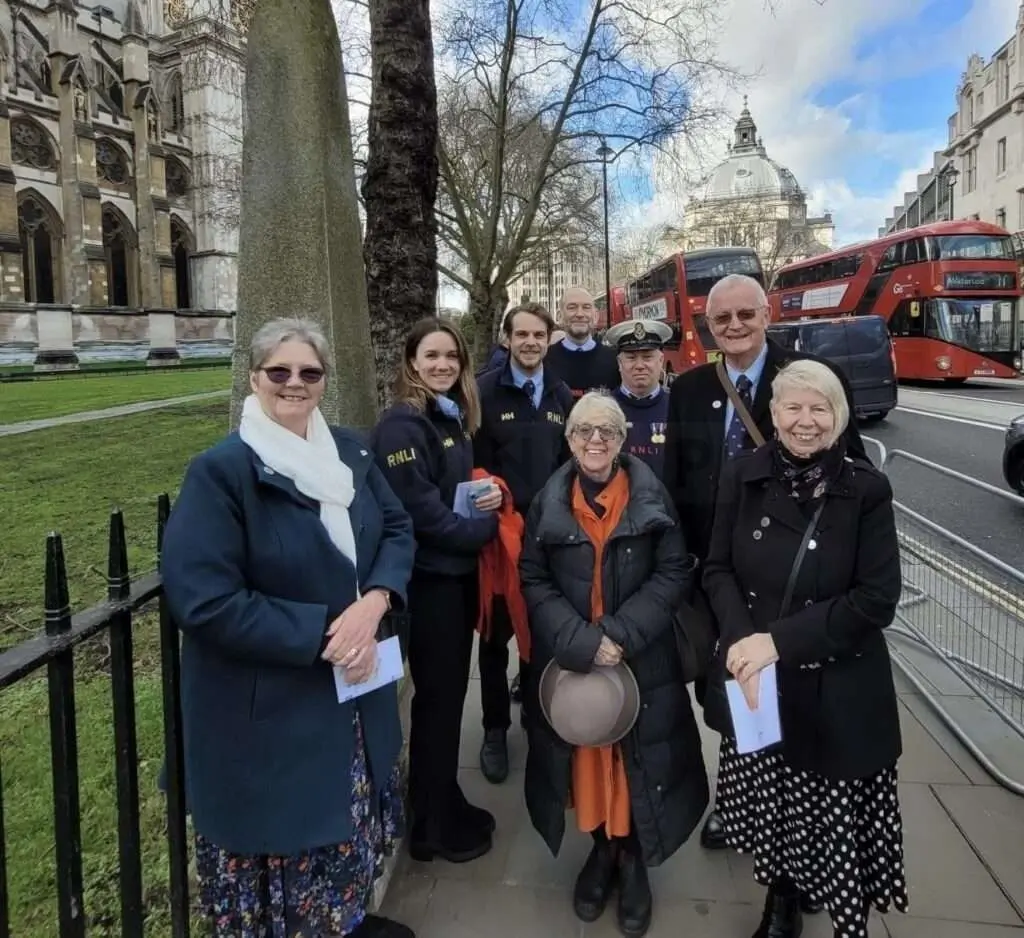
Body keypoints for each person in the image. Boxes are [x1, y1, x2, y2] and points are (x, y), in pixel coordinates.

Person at [161, 318, 417, 938]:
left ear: (325, 382)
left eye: (309, 372)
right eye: (279, 371)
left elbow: (398, 529)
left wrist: (376, 601)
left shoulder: (351, 452)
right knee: (290, 865)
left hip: (351, 703)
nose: (294, 383)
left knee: (346, 841)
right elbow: (204, 599)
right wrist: (328, 633)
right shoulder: (222, 473)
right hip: (274, 720)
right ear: (255, 378)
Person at [662, 273, 866, 855]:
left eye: (744, 315)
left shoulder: (809, 380)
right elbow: (677, 481)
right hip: (720, 574)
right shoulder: (691, 388)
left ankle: (802, 825)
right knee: (730, 699)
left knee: (798, 700)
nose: (733, 327)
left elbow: (849, 476)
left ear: (767, 313)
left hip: (795, 577)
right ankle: (737, 805)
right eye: (720, 319)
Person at [703, 359, 906, 938]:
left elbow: (875, 600)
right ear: (774, 412)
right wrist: (745, 640)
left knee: (827, 814)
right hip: (761, 684)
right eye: (793, 407)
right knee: (776, 807)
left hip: (837, 686)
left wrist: (777, 641)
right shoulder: (742, 474)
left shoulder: (866, 489)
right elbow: (716, 569)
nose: (806, 421)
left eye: (821, 408)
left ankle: (831, 895)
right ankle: (783, 898)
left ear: (840, 418)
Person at [520, 392, 709, 938]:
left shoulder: (652, 494)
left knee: (637, 764)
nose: (595, 441)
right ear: (569, 439)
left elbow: (674, 572)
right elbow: (532, 576)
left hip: (640, 658)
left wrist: (620, 636)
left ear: (624, 440)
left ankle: (633, 861)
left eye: (607, 431)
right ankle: (601, 850)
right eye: (584, 432)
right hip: (577, 659)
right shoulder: (548, 499)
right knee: (585, 758)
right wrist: (580, 640)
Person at [370, 317, 502, 864]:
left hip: (455, 579)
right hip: (431, 585)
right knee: (438, 703)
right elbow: (419, 511)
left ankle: (440, 798)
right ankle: (429, 826)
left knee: (446, 703)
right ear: (411, 363)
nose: (443, 364)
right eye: (432, 356)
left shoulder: (449, 418)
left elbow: (451, 492)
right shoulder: (403, 425)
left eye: (452, 356)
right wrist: (481, 531)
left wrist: (485, 497)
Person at [474, 302, 574, 784]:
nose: (531, 342)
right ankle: (495, 729)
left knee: (543, 636)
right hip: (499, 541)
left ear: (548, 339)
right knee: (495, 641)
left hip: (548, 541)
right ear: (506, 339)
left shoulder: (559, 394)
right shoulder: (483, 393)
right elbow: (473, 466)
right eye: (522, 335)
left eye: (539, 334)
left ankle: (540, 721)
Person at [604, 319, 672, 477]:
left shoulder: (679, 406)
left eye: (647, 357)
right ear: (619, 363)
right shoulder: (603, 409)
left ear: (660, 361)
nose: (640, 365)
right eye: (631, 358)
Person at [544, 287, 620, 398]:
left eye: (586, 307)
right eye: (572, 307)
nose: (580, 314)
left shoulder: (615, 359)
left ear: (595, 316)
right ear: (559, 316)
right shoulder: (545, 360)